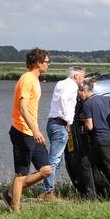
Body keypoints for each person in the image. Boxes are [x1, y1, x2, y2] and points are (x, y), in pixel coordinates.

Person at [5, 48, 54, 212]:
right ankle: (15, 209)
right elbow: (22, 107)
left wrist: (35, 130)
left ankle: (11, 193)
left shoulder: (35, 80)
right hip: (22, 131)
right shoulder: (27, 79)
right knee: (21, 174)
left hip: (32, 131)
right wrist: (35, 130)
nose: (48, 64)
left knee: (46, 170)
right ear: (38, 63)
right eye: (47, 61)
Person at [40, 65, 85, 201]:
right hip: (60, 124)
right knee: (54, 160)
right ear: (76, 76)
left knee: (57, 160)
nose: (83, 79)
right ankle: (47, 192)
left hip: (52, 123)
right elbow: (64, 99)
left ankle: (45, 186)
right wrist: (68, 120)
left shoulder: (61, 83)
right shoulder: (72, 86)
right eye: (83, 76)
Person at [80, 79, 110, 198]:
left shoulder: (87, 104)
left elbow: (90, 126)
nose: (79, 96)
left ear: (84, 90)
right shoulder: (108, 99)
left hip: (102, 139)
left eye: (79, 93)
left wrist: (83, 120)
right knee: (87, 162)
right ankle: (97, 193)